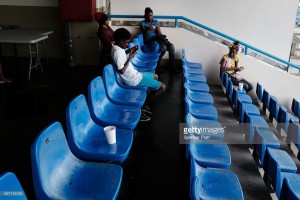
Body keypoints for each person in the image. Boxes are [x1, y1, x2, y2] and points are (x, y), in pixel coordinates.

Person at [111, 28, 166, 121]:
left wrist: (129, 51)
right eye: (127, 42)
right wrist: (130, 58)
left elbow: (121, 55)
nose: (127, 44)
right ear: (121, 41)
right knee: (163, 87)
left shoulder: (116, 47)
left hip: (136, 74)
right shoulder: (117, 52)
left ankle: (143, 101)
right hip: (134, 80)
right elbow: (121, 71)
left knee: (155, 76)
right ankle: (142, 106)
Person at [140, 7, 180, 74]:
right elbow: (143, 33)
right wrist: (147, 29)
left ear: (152, 15)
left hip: (158, 39)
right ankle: (157, 66)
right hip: (150, 41)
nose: (150, 17)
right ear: (145, 16)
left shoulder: (156, 22)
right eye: (148, 15)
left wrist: (158, 28)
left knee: (171, 46)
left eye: (151, 15)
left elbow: (159, 34)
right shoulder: (142, 23)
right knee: (163, 48)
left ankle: (172, 67)